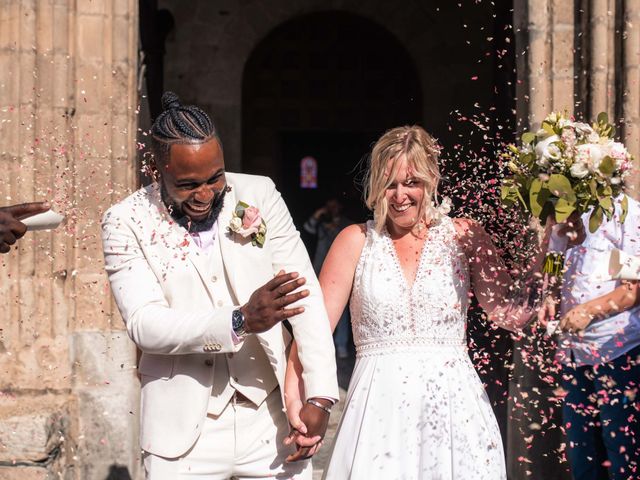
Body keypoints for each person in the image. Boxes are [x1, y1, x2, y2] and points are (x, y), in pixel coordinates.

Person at [284, 125, 580, 479]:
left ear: (432, 180)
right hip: (377, 407)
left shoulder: (465, 236)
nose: (399, 195)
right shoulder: (354, 241)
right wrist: (300, 403)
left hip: (455, 409)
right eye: (389, 184)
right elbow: (313, 332)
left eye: (412, 182)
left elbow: (510, 312)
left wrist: (554, 246)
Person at [102, 92, 339, 479]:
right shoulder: (124, 220)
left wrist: (322, 396)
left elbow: (304, 295)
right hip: (182, 434)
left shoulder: (259, 194)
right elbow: (145, 324)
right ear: (156, 169)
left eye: (216, 177)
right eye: (188, 184)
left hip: (270, 417)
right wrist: (239, 320)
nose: (206, 194)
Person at [538, 195, 640, 480]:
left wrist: (589, 310)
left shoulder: (623, 212)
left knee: (622, 454)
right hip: (573, 353)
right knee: (582, 457)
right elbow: (554, 259)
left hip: (616, 351)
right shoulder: (561, 210)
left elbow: (632, 288)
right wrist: (550, 295)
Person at [303, 198, 353, 358]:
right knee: (317, 307)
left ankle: (341, 345)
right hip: (319, 269)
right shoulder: (321, 222)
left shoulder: (347, 224)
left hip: (341, 271)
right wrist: (318, 215)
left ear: (340, 206)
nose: (332, 208)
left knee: (342, 310)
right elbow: (307, 229)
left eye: (334, 205)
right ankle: (321, 345)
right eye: (329, 205)